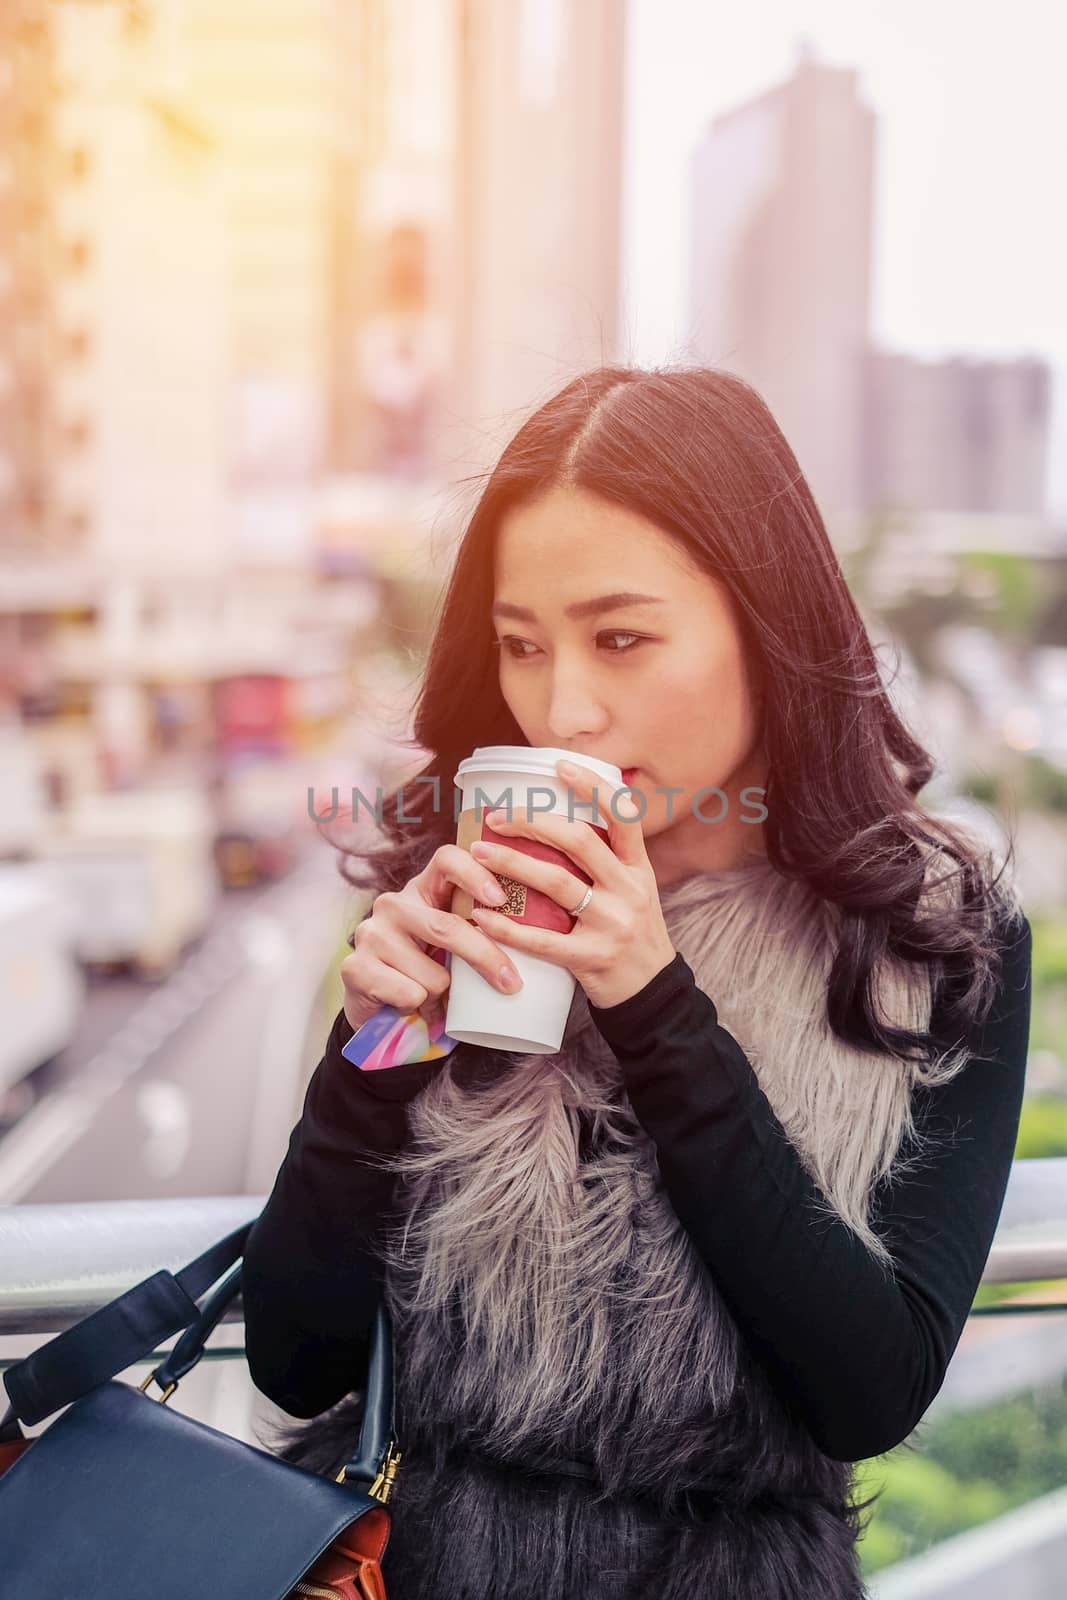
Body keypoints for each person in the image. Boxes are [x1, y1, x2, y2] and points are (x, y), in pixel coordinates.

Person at [241, 366, 1032, 1600]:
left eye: (620, 637)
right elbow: (295, 1359)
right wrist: (373, 1059)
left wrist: (654, 1004)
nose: (563, 707)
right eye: (519, 644)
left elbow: (866, 1388)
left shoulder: (930, 937)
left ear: (763, 628)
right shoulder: (453, 888)